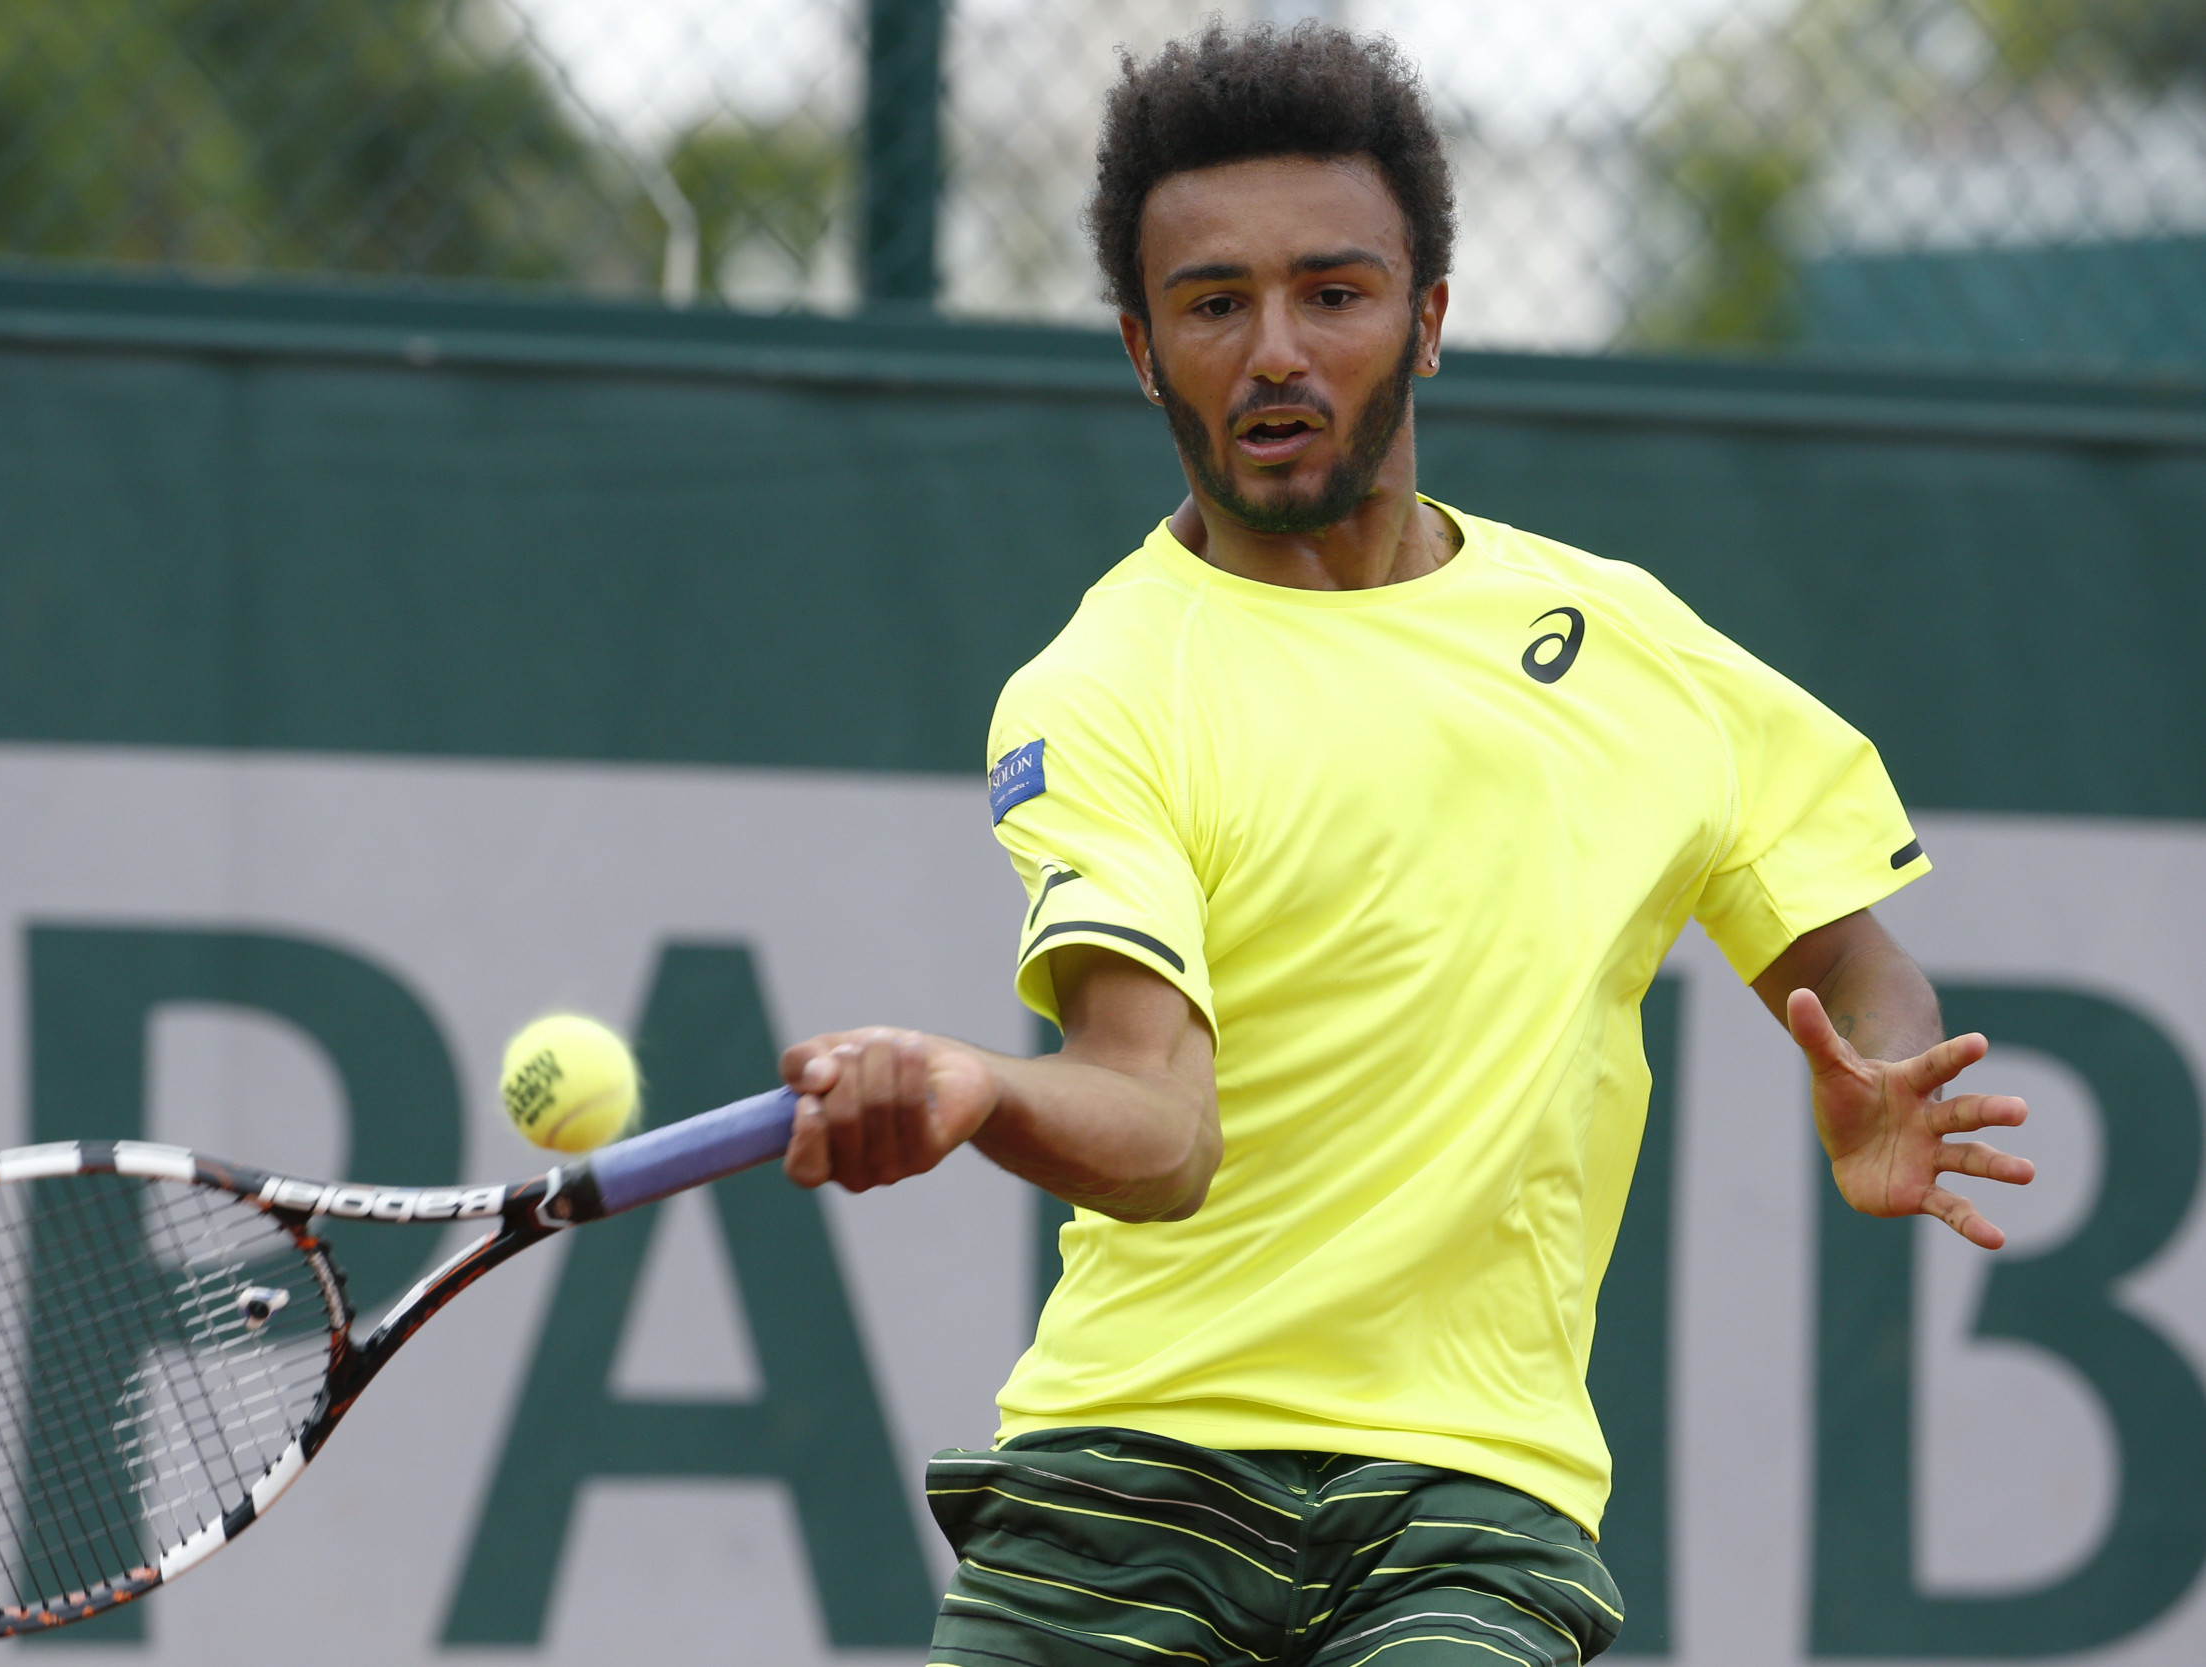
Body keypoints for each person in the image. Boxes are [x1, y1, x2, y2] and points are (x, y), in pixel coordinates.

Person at [777, 21, 2033, 1666]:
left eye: (1336, 294)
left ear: (1427, 320)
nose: (1276, 351)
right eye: (1214, 305)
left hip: (1474, 1502)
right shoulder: (1100, 689)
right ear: (1146, 353)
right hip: (1130, 1480)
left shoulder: (1634, 648)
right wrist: (983, 1090)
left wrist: (1882, 1071)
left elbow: (1859, 963)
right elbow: (1160, 1125)